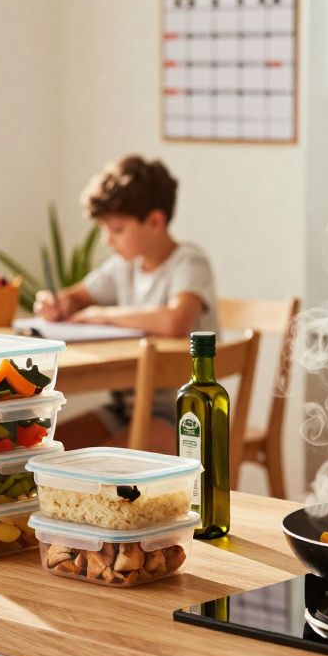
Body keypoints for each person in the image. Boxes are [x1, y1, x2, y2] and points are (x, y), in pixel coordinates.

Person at [34, 155, 217, 451]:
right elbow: (76, 297)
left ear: (155, 221)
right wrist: (58, 303)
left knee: (96, 466)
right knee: (44, 449)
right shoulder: (124, 265)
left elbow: (175, 321)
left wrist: (102, 315)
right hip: (126, 411)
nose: (107, 240)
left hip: (183, 417)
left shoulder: (189, 263)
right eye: (105, 229)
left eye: (117, 229)